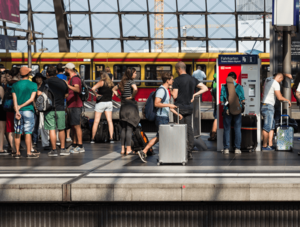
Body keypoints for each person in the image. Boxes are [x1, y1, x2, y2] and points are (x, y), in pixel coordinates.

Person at [137, 72, 182, 162]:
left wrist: (177, 113)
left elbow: (165, 105)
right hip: (161, 118)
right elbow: (157, 103)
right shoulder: (161, 90)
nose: (173, 81)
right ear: (167, 80)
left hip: (163, 117)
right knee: (160, 136)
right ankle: (145, 151)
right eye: (172, 79)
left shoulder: (165, 90)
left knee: (161, 136)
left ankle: (154, 153)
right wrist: (170, 105)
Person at [172, 62, 208, 159]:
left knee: (180, 129)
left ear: (179, 69)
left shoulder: (177, 80)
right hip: (189, 108)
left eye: (176, 69)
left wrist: (171, 90)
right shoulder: (192, 79)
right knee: (189, 128)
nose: (176, 71)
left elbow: (175, 95)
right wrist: (194, 95)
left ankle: (181, 149)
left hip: (179, 108)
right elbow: (205, 88)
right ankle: (189, 150)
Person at [38, 66, 69, 156]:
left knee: (51, 129)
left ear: (47, 73)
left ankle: (54, 150)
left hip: (49, 109)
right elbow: (66, 95)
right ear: (56, 72)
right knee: (61, 129)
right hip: (60, 108)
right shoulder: (62, 82)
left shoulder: (46, 82)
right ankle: (63, 149)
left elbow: (39, 93)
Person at [12, 66, 38, 158]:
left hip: (18, 112)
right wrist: (22, 106)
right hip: (28, 111)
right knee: (28, 132)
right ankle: (28, 153)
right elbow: (31, 99)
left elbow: (14, 100)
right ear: (29, 74)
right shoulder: (33, 85)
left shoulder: (15, 85)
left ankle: (17, 153)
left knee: (17, 131)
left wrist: (17, 110)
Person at [112, 67, 140, 155]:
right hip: (130, 106)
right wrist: (132, 96)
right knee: (129, 128)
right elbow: (135, 89)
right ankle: (129, 149)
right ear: (130, 74)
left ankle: (123, 149)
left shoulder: (121, 83)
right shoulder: (131, 82)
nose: (136, 74)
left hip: (123, 107)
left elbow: (113, 89)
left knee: (123, 128)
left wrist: (120, 97)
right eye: (135, 73)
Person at [261, 73, 291, 151]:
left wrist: (285, 75)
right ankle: (264, 146)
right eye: (281, 80)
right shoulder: (276, 83)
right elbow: (279, 97)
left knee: (271, 126)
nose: (280, 82)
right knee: (267, 126)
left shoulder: (268, 79)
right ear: (280, 78)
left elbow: (278, 74)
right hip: (268, 106)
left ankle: (270, 145)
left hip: (265, 105)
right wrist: (287, 100)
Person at [220, 72, 245, 154]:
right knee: (237, 129)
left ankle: (226, 148)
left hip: (227, 110)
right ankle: (237, 148)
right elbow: (243, 100)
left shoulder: (224, 87)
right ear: (236, 79)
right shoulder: (239, 87)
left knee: (227, 129)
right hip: (237, 110)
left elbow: (221, 101)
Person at [64, 63, 85, 154]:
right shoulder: (72, 79)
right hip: (71, 105)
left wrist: (67, 85)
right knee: (73, 126)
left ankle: (80, 145)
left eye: (65, 69)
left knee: (77, 125)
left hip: (75, 105)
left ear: (68, 69)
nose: (64, 70)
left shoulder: (75, 78)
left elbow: (77, 89)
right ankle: (74, 144)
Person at [91, 71, 114, 144]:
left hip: (101, 103)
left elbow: (92, 88)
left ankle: (92, 138)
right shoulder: (111, 84)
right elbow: (113, 94)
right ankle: (111, 138)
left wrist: (96, 94)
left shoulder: (101, 82)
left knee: (96, 121)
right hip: (109, 103)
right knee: (110, 121)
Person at [32, 73, 51, 150]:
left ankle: (46, 140)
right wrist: (35, 107)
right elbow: (33, 98)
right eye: (37, 78)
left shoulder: (45, 86)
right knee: (35, 125)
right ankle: (35, 140)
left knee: (43, 125)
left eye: (39, 78)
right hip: (36, 108)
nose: (38, 79)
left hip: (43, 108)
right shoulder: (34, 86)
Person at [5, 67, 20, 154]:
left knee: (10, 129)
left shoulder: (8, 83)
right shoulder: (18, 83)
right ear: (18, 74)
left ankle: (13, 148)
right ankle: (17, 147)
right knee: (17, 128)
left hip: (8, 107)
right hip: (17, 108)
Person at [208, 73, 217, 141]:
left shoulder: (214, 81)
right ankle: (213, 135)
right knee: (216, 119)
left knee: (216, 118)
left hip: (216, 102)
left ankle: (213, 135)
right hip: (220, 103)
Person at [0, 85, 7, 155]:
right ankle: (1, 148)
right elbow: (3, 99)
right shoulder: (0, 88)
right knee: (2, 130)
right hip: (1, 110)